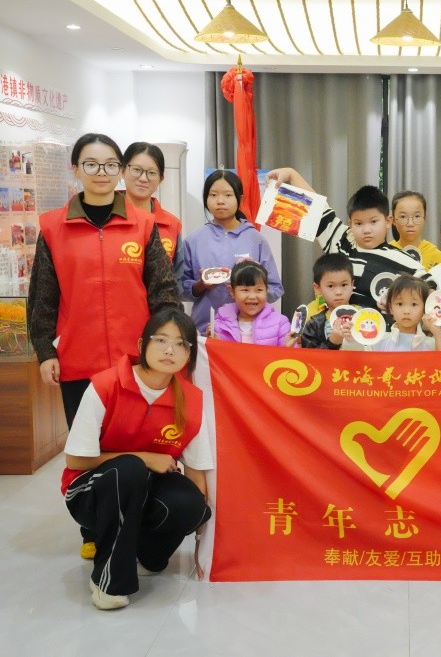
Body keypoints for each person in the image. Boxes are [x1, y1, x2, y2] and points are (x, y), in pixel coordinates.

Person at [27, 133, 180, 561]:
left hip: (137, 363)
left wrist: (167, 348)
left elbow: (163, 293)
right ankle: (92, 528)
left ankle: (140, 523)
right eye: (91, 164)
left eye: (110, 164)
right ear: (75, 169)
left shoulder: (142, 225)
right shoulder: (53, 227)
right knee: (88, 450)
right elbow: (42, 297)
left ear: (120, 171)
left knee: (139, 445)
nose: (102, 173)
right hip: (79, 362)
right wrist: (46, 351)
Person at [62, 308, 213, 610]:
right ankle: (108, 582)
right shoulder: (105, 385)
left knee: (192, 504)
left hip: (145, 493)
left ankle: (149, 556)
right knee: (129, 470)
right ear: (143, 344)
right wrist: (144, 457)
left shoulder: (191, 400)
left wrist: (196, 521)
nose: (170, 350)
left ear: (189, 354)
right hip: (90, 493)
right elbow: (75, 460)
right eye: (161, 340)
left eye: (181, 344)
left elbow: (196, 473)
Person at [267, 168, 430, 318]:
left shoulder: (406, 262)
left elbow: (432, 290)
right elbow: (317, 208)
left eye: (373, 222)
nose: (366, 230)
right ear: (350, 224)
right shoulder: (343, 241)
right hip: (335, 332)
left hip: (380, 335)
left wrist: (398, 299)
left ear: (388, 221)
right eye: (359, 223)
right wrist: (291, 174)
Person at [182, 170, 283, 334]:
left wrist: (251, 284)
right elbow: (180, 289)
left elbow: (275, 289)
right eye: (213, 195)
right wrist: (201, 284)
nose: (220, 201)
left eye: (228, 195)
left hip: (249, 332)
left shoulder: (255, 239)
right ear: (206, 199)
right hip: (205, 329)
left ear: (239, 199)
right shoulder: (193, 240)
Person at [121, 142, 184, 277]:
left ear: (161, 179)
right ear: (122, 171)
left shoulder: (172, 225)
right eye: (136, 170)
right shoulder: (107, 218)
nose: (143, 178)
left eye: (152, 173)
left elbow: (177, 278)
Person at [212, 260, 294, 346]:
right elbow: (215, 352)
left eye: (259, 290)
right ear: (232, 292)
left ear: (267, 291)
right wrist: (213, 342)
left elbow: (291, 353)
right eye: (245, 290)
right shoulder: (220, 322)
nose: (252, 296)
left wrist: (288, 348)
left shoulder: (280, 323)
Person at [372, 274, 441, 351]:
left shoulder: (432, 344)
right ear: (390, 308)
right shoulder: (378, 342)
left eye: (414, 304)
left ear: (424, 309)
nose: (406, 311)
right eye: (400, 304)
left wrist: (437, 334)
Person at [301, 253, 356, 350]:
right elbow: (309, 356)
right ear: (317, 288)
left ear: (352, 284)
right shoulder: (314, 325)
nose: (338, 292)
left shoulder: (364, 315)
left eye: (344, 285)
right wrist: (332, 343)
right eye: (331, 286)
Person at [390, 190, 441, 269]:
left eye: (416, 216)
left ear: (424, 218)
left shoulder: (436, 256)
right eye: (403, 216)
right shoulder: (386, 253)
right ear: (393, 220)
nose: (410, 224)